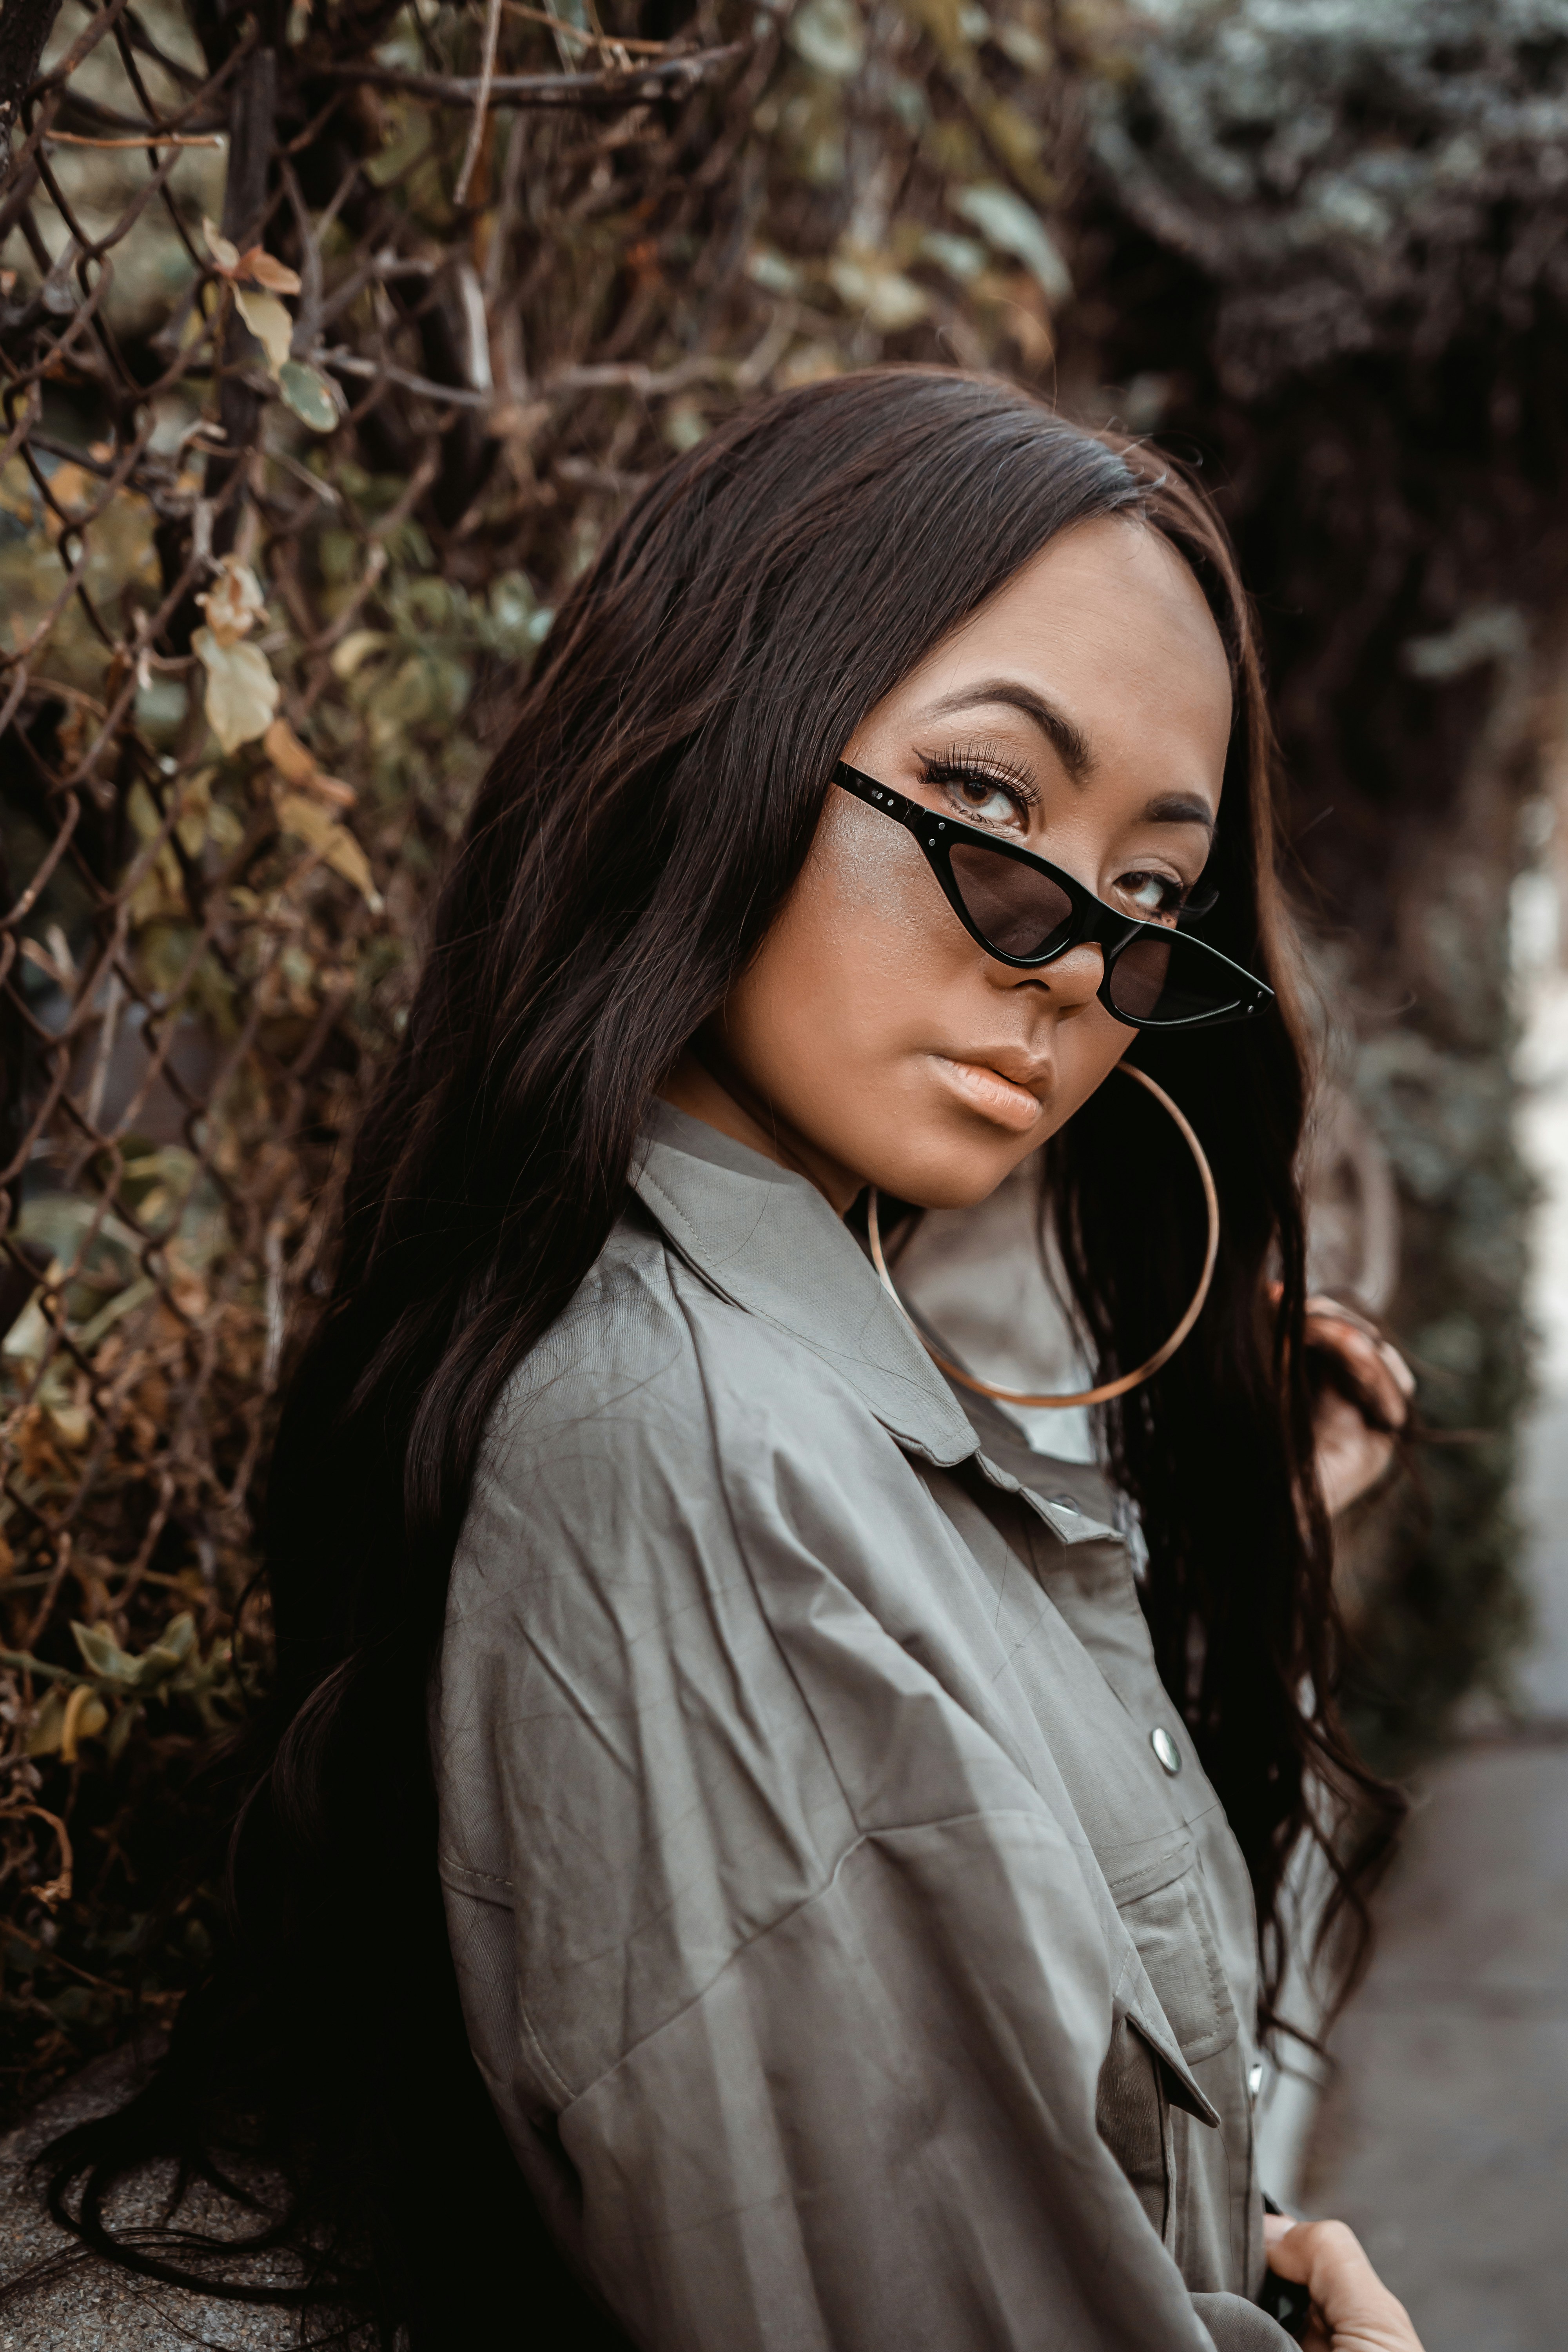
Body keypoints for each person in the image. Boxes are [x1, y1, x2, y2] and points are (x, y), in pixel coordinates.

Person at [34, 371, 1421, 2351]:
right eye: (986, 805)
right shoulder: (711, 1476)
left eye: (1143, 897)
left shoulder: (821, 1399)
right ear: (726, 742)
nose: (1059, 965)